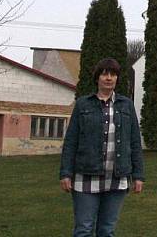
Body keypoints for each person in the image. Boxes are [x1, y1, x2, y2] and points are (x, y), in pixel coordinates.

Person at [60, 58, 145, 237]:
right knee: (83, 229)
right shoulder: (83, 104)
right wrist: (66, 173)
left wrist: (138, 175)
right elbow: (71, 141)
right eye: (104, 74)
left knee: (107, 231)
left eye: (113, 74)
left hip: (117, 178)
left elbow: (135, 142)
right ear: (97, 78)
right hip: (85, 177)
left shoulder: (126, 105)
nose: (109, 78)